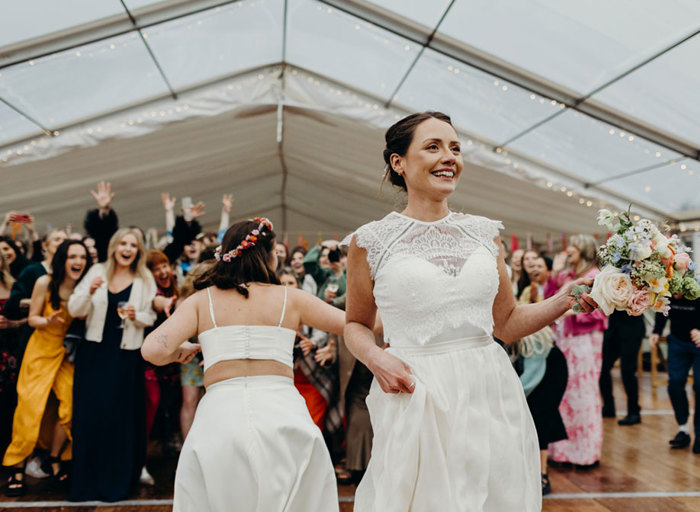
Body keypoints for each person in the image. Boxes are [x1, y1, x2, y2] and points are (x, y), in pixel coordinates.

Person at [342, 112, 596, 511]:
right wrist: (377, 360)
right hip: (417, 391)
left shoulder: (484, 233)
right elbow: (355, 324)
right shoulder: (371, 241)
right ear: (398, 163)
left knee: (493, 496)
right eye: (433, 147)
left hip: (489, 389)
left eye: (455, 148)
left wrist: (563, 299)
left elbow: (508, 324)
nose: (449, 157)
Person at [142, 218, 349, 512]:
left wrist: (179, 352)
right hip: (282, 415)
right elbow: (351, 325)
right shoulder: (292, 298)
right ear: (268, 255)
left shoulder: (202, 301)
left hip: (220, 419)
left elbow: (151, 350)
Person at [68, 228, 157, 502]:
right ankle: (85, 484)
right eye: (123, 243)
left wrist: (137, 315)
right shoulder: (96, 271)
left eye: (133, 244)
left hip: (125, 356)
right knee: (89, 416)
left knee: (118, 419)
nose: (127, 248)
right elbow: (74, 309)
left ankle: (114, 484)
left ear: (138, 250)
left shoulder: (144, 278)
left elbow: (151, 316)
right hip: (93, 354)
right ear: (114, 247)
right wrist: (89, 291)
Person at [3, 240, 91, 496]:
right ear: (62, 259)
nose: (78, 261)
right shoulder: (44, 282)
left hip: (65, 353)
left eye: (82, 257)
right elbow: (31, 318)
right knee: (29, 408)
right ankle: (16, 465)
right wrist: (47, 320)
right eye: (73, 256)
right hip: (40, 348)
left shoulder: (84, 287)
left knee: (70, 406)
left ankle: (54, 458)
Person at [545, 235, 607, 469]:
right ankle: (561, 451)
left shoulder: (594, 277)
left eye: (573, 246)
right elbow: (549, 301)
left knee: (583, 393)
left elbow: (602, 311)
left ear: (583, 250)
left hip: (584, 340)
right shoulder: (564, 275)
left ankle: (585, 452)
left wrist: (571, 313)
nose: (568, 250)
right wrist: (554, 275)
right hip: (563, 339)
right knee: (563, 393)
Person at [510, 256, 568, 495]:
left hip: (551, 370)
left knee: (539, 421)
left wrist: (508, 395)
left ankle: (541, 476)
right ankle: (526, 473)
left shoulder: (532, 337)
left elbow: (531, 377)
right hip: (536, 369)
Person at [651, 296, 700, 453]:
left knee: (699, 385)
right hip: (677, 341)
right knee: (675, 384)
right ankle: (683, 429)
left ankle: (699, 434)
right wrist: (657, 331)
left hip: (698, 342)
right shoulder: (668, 284)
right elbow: (662, 309)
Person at [599, 310, 646, 425]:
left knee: (627, 372)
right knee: (602, 368)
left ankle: (634, 412)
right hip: (614, 329)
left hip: (632, 330)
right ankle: (609, 407)